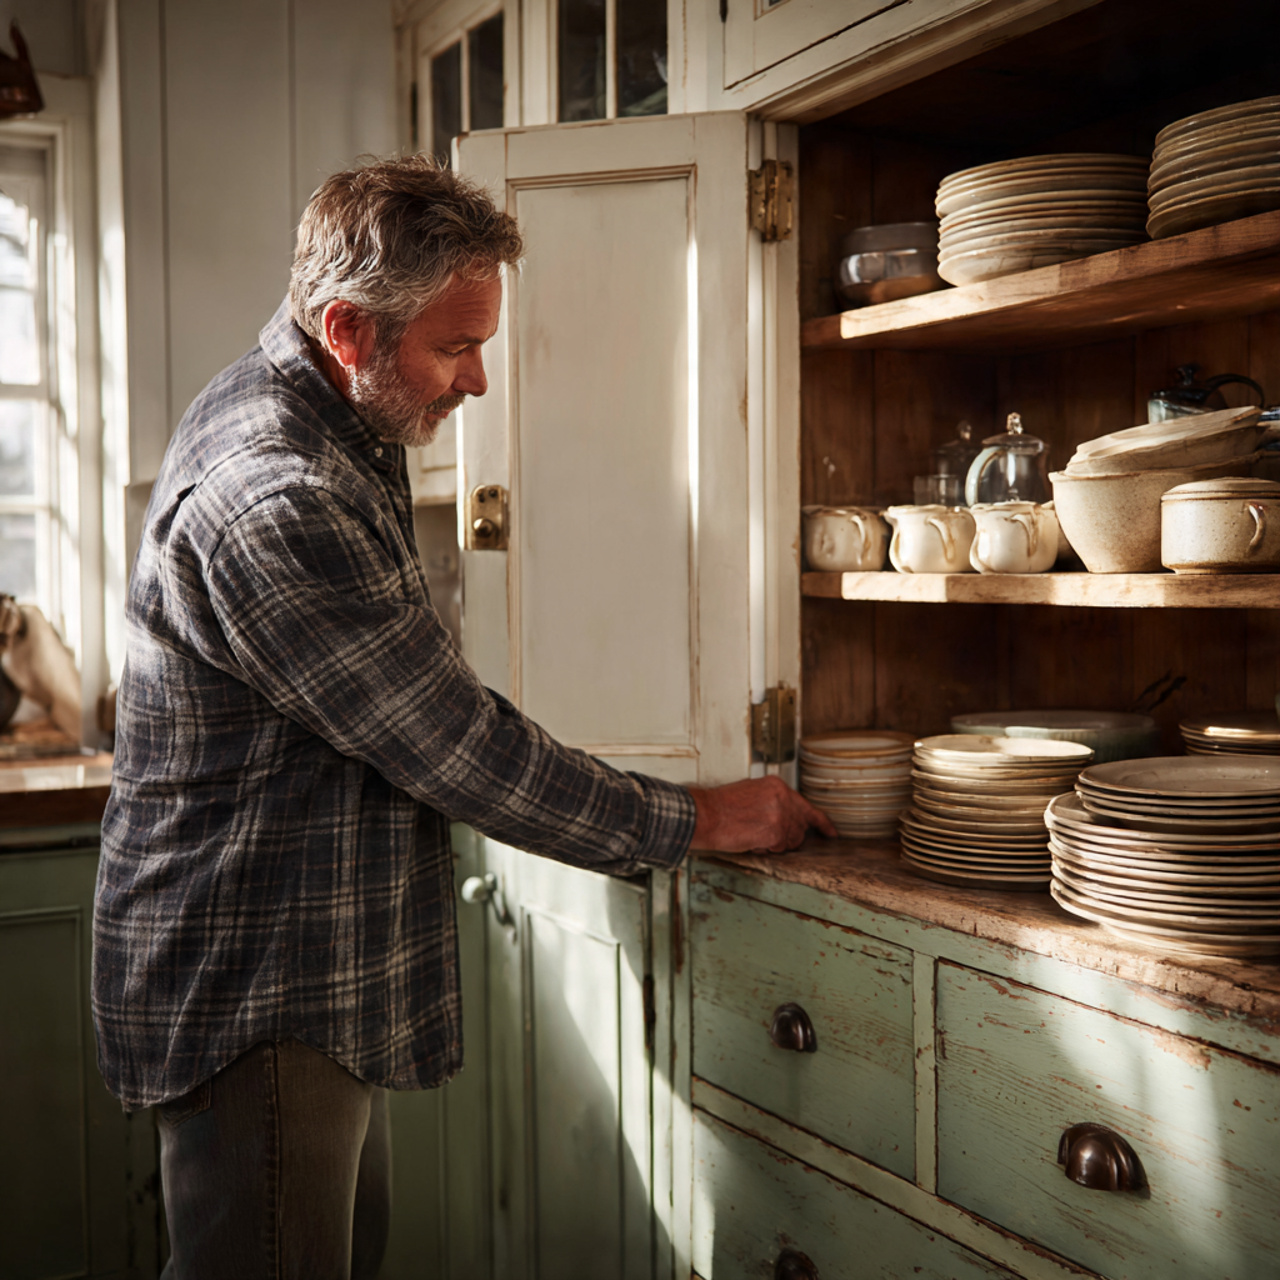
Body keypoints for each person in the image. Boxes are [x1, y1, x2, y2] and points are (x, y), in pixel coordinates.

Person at [92, 155, 833, 1278]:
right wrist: (702, 818)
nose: (478, 379)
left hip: (294, 966)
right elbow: (457, 748)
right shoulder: (276, 494)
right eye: (454, 346)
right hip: (255, 982)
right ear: (347, 328)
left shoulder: (324, 416)